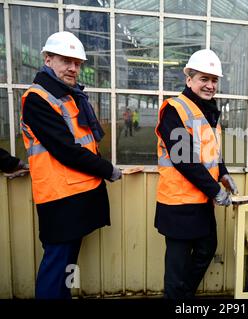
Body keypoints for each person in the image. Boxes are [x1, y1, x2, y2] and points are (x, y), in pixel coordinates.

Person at [21, 31, 122, 299]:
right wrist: (107, 169)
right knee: (56, 264)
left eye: (77, 63)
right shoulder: (38, 99)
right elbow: (67, 150)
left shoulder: (68, 95)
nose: (73, 68)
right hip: (60, 198)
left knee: (68, 264)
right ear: (48, 58)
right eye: (66, 61)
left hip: (76, 195)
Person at [154, 49, 238, 299]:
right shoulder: (175, 109)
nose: (210, 85)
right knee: (176, 268)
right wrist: (215, 190)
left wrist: (222, 173)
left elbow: (209, 150)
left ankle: (183, 295)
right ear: (189, 79)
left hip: (200, 201)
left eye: (214, 80)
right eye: (204, 79)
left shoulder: (207, 111)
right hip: (179, 203)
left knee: (206, 248)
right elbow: (184, 159)